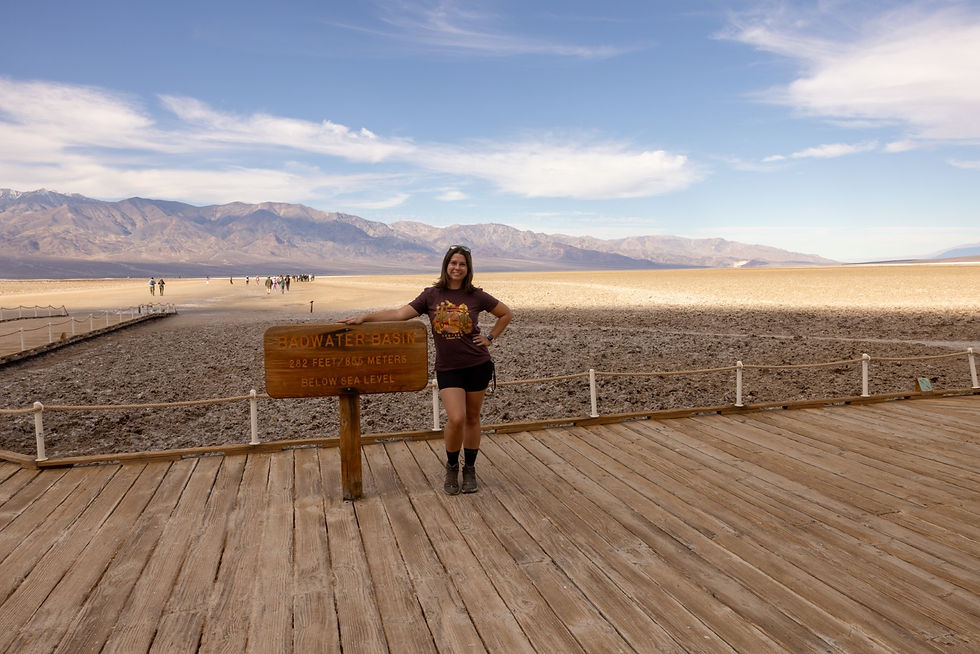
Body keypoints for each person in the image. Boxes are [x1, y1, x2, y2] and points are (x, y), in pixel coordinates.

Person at [343, 245, 512, 495]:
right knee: (456, 418)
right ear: (446, 266)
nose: (457, 268)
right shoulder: (431, 295)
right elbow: (401, 314)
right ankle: (452, 466)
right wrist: (366, 317)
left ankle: (470, 469)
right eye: (453, 263)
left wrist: (490, 337)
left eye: (462, 264)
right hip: (448, 368)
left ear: (468, 269)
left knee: (473, 418)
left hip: (477, 365)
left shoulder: (477, 296)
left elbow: (506, 314)